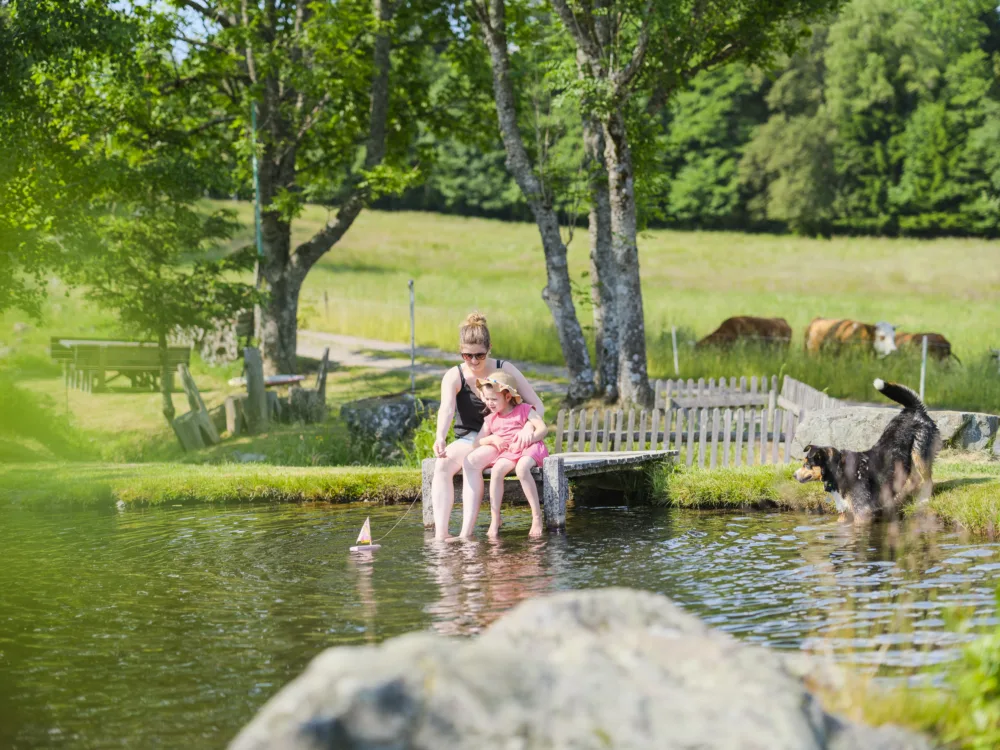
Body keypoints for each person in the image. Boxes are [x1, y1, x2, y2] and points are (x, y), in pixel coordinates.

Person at [431, 313, 544, 540]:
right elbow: (446, 409)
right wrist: (440, 436)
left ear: (489, 348)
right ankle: (440, 535)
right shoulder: (454, 375)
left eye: (479, 355)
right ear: (460, 352)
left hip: (503, 436)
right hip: (471, 438)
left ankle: (466, 534)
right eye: (467, 355)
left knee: (471, 461)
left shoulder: (504, 370)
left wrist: (527, 430)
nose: (473, 361)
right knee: (442, 466)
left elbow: (536, 404)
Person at [458, 371, 548, 539]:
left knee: (522, 469)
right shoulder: (491, 419)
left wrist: (530, 438)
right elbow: (476, 443)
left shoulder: (524, 410)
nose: (489, 403)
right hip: (509, 452)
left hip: (530, 448)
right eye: (487, 399)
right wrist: (491, 438)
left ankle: (536, 517)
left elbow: (543, 429)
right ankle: (495, 519)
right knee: (498, 469)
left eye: (494, 399)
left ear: (507, 397)